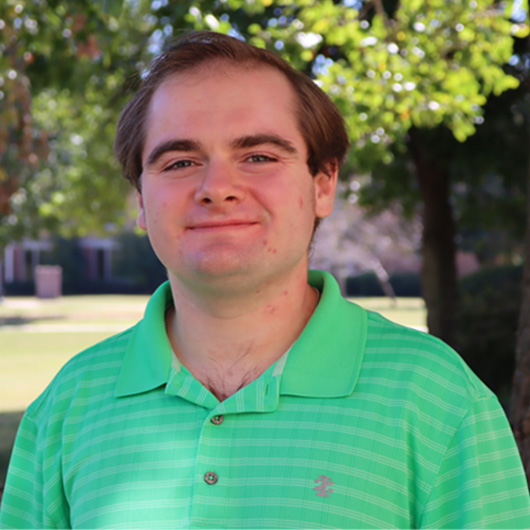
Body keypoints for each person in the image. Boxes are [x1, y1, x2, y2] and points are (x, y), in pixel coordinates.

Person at [1, 30, 529, 530]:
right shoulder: (69, 406)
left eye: (258, 156)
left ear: (323, 184)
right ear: (141, 199)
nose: (217, 187)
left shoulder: (436, 399)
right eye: (181, 161)